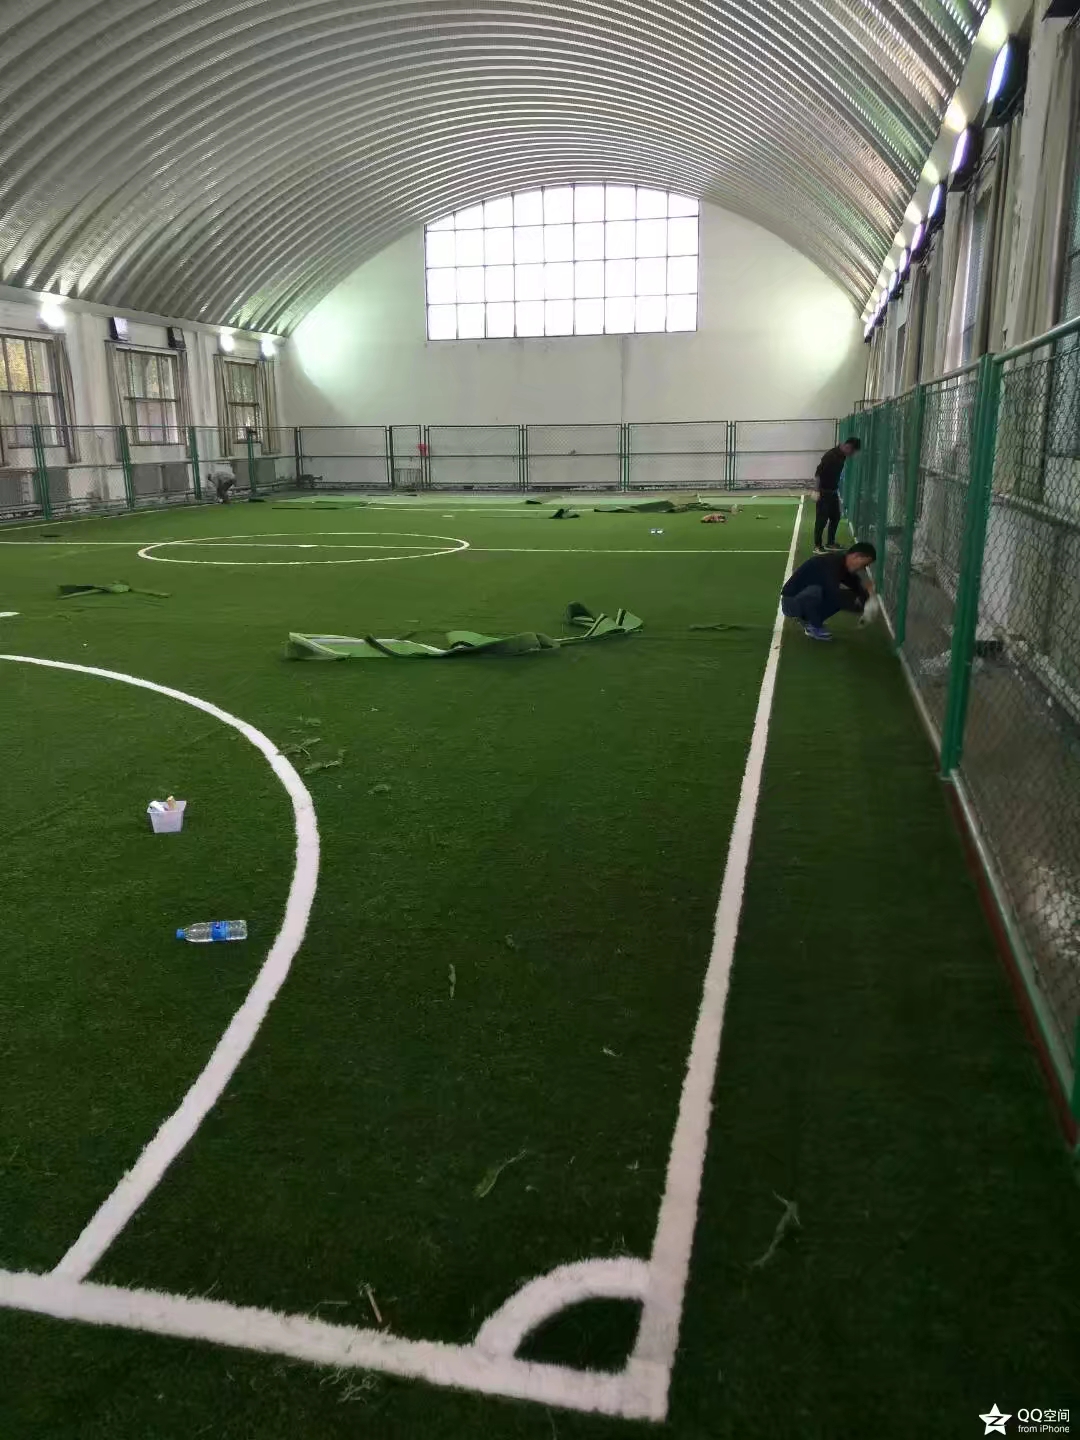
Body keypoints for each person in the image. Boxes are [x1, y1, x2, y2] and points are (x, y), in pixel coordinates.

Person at [781, 542, 877, 642]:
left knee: (841, 595)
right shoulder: (831, 564)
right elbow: (833, 593)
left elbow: (856, 588)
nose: (863, 568)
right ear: (856, 556)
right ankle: (813, 625)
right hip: (790, 603)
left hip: (801, 597)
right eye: (864, 564)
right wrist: (860, 603)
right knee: (821, 592)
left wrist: (865, 598)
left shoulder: (843, 565)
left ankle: (808, 619)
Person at [813, 435, 861, 553]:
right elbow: (818, 473)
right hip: (824, 492)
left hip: (833, 492)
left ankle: (830, 543)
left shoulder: (842, 456)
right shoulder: (831, 456)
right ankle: (817, 546)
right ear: (848, 447)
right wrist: (816, 490)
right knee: (821, 520)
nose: (852, 455)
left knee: (835, 517)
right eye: (852, 452)